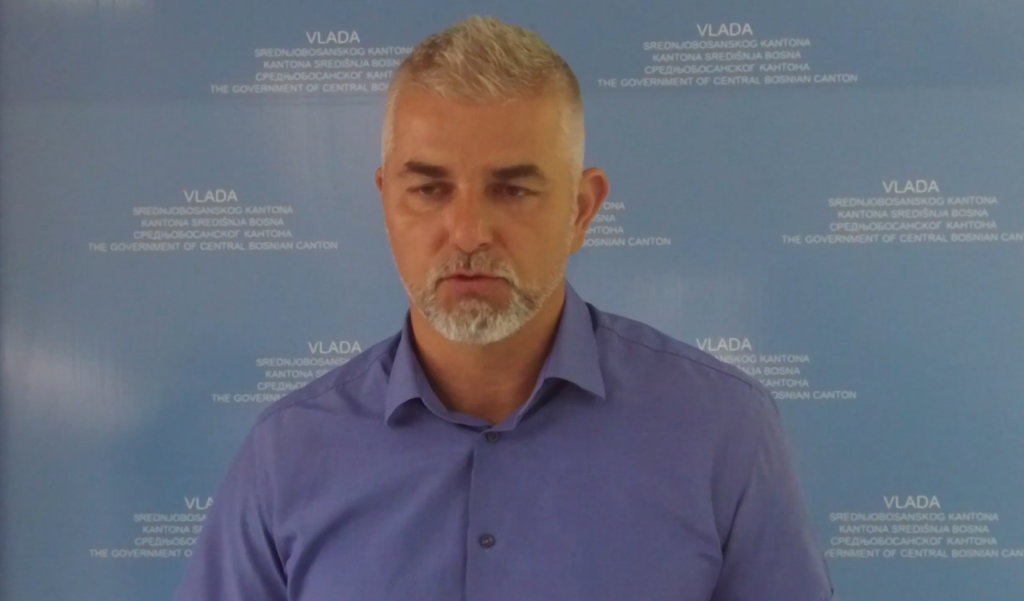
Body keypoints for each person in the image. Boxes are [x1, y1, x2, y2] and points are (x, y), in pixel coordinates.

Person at [174, 15, 837, 601]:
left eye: (512, 190)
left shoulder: (721, 432)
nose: (468, 233)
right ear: (385, 201)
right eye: (429, 189)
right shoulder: (288, 455)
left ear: (581, 210)